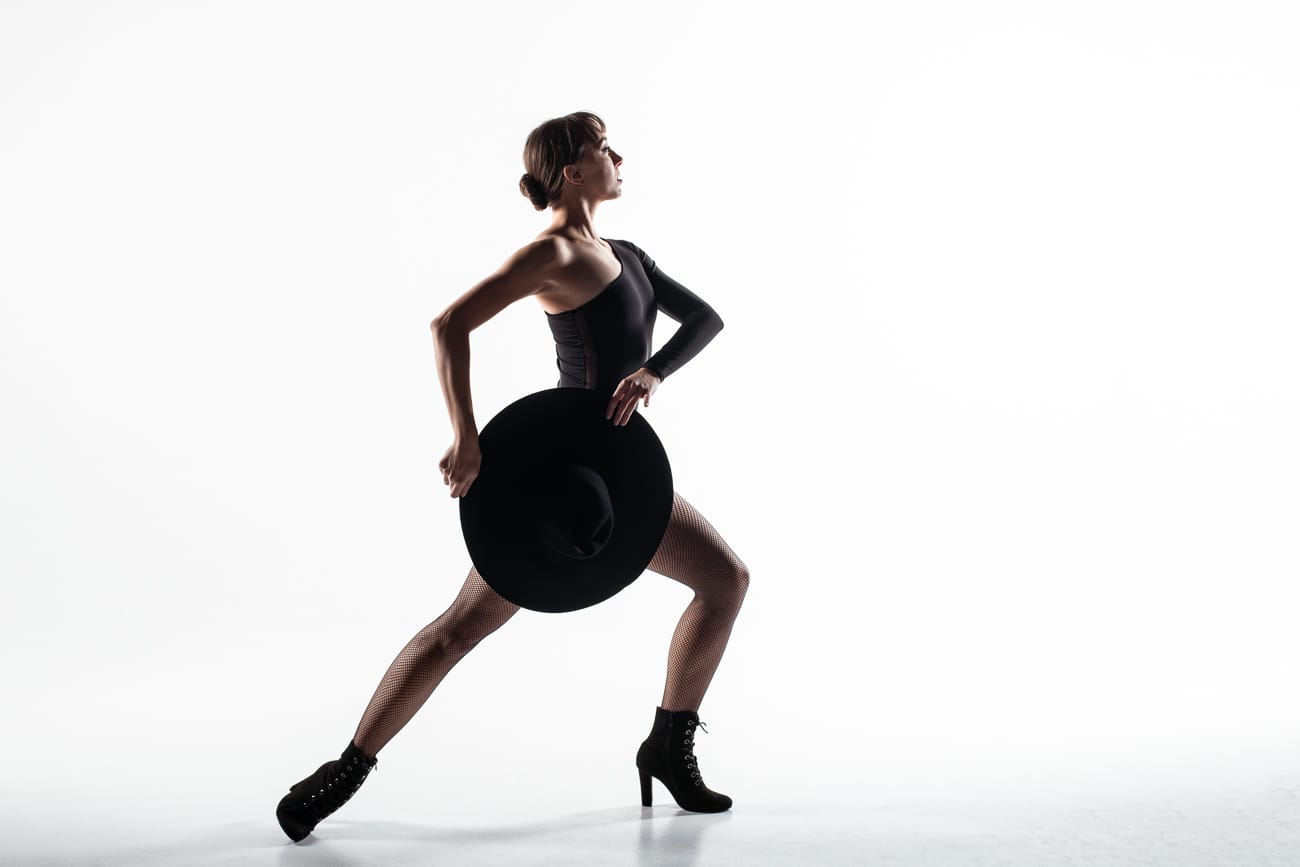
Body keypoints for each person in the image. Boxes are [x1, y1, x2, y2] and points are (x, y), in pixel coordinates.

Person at [275, 111, 750, 842]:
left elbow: (707, 319)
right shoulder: (552, 253)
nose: (619, 156)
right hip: (560, 481)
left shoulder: (627, 252)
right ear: (573, 171)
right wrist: (465, 436)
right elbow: (449, 325)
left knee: (725, 579)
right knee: (459, 630)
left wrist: (654, 370)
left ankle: (668, 742)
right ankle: (347, 766)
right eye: (603, 148)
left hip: (620, 473)